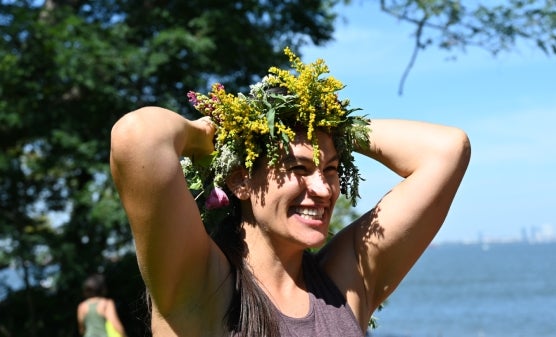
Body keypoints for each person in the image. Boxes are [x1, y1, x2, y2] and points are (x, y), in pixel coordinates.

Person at [110, 48, 471, 337]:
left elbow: (447, 149)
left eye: (330, 169)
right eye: (298, 168)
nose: (322, 188)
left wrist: (327, 121)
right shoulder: (202, 283)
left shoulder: (345, 282)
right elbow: (138, 136)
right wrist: (212, 135)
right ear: (240, 181)